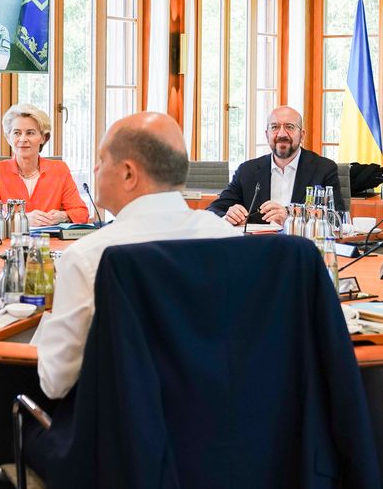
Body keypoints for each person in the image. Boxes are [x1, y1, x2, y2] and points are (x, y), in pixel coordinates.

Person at [32, 111, 238, 401]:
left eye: (102, 161)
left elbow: (55, 382)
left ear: (128, 174)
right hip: (220, 421)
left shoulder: (89, 257)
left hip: (124, 434)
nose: (94, 169)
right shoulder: (226, 237)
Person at [207, 106, 344, 226]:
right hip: (258, 248)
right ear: (267, 135)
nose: (282, 134)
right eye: (275, 127)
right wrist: (228, 216)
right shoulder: (247, 171)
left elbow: (338, 219)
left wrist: (292, 218)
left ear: (302, 135)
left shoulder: (323, 169)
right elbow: (213, 210)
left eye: (290, 127)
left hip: (301, 248)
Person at [0, 103, 89, 226]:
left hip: (49, 242)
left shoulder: (60, 170)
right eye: (17, 133)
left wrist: (63, 216)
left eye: (30, 133)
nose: (23, 139)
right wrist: (22, 219)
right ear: (8, 138)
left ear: (43, 138)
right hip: (8, 243)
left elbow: (82, 213)